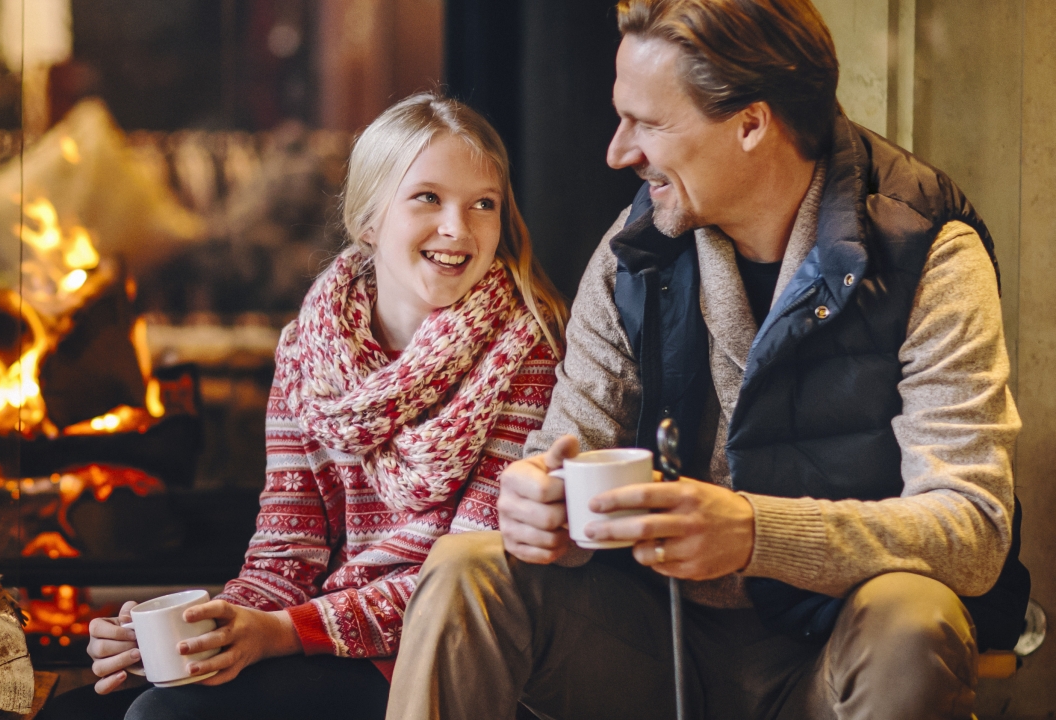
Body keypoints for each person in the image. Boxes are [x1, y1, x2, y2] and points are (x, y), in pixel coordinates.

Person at [385, 2, 1030, 719]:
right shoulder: (635, 253)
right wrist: (538, 503)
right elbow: (566, 449)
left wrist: (754, 534)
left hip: (837, 650)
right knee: (463, 568)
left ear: (751, 124)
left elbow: (972, 531)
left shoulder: (926, 250)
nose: (619, 152)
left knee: (916, 614)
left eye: (649, 124)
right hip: (651, 644)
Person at [40, 94, 568, 720]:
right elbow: (285, 553)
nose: (459, 226)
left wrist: (282, 634)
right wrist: (201, 635)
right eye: (428, 197)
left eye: (483, 203)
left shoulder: (525, 350)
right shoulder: (307, 352)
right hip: (316, 630)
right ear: (370, 218)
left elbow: (467, 581)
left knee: (164, 716)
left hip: (434, 655)